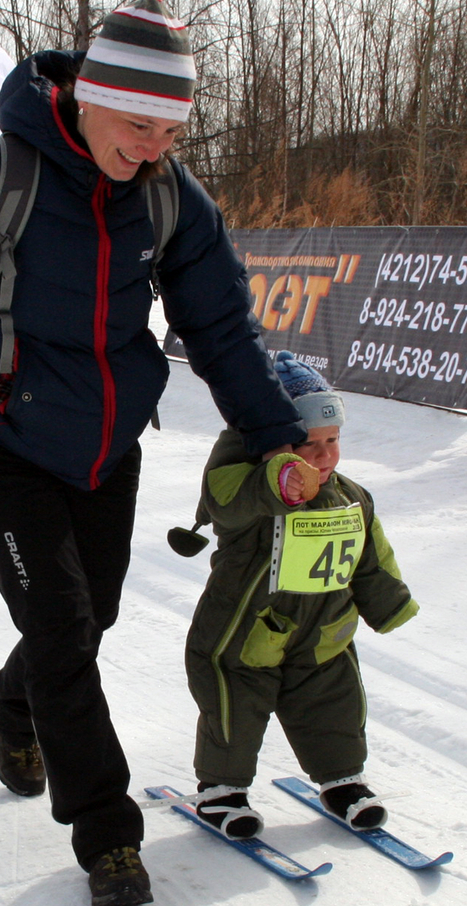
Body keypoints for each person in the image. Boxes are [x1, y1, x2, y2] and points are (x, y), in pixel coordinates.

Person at [0, 0, 306, 906]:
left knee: (92, 613)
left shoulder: (166, 199)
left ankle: (10, 708)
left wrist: (278, 435)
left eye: (170, 126)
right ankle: (107, 834)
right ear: (90, 94)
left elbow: (223, 334)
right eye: (137, 121)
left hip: (102, 444)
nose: (153, 143)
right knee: (60, 624)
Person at [179, 352, 418, 839]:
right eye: (308, 445)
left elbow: (369, 556)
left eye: (332, 441)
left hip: (324, 630)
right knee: (235, 705)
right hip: (243, 632)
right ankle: (222, 789)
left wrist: (388, 602)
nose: (324, 455)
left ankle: (342, 780)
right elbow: (226, 498)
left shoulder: (352, 495)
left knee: (334, 701)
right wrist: (276, 478)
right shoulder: (247, 483)